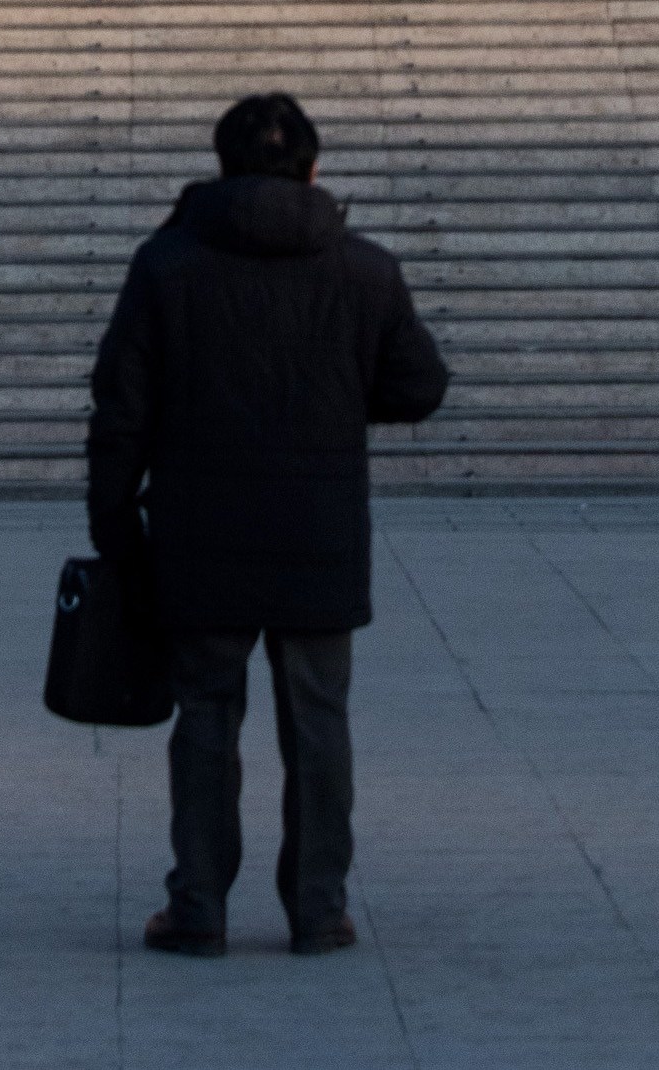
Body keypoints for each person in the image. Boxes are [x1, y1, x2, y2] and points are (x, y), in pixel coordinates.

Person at [87, 92, 449, 959]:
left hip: (198, 527)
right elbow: (420, 387)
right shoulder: (364, 268)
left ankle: (198, 907)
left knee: (206, 715)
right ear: (314, 168)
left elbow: (120, 407)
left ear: (221, 167)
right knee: (319, 720)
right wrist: (335, 392)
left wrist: (113, 523)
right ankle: (319, 910)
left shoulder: (167, 263)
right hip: (317, 526)